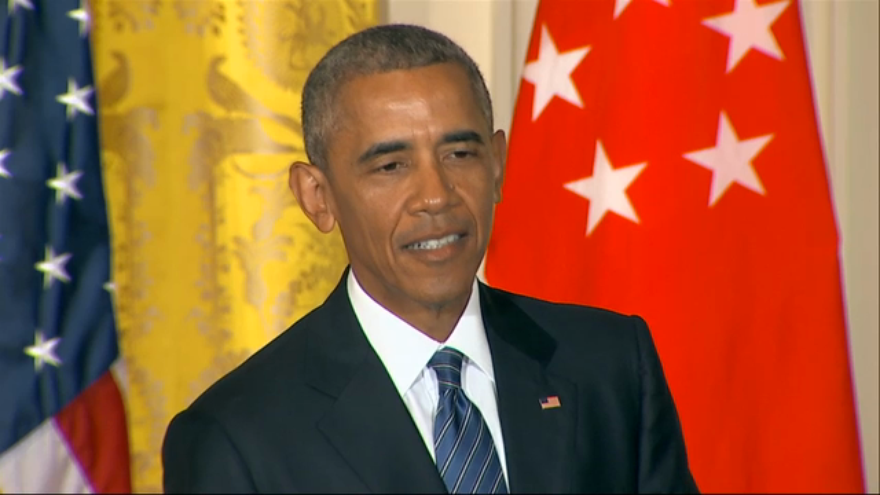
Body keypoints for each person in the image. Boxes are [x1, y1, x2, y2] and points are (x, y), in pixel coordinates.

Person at [161, 24, 699, 494]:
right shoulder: (236, 437)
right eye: (391, 166)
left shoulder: (609, 365)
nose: (436, 195)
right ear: (316, 196)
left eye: (460, 154)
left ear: (498, 167)